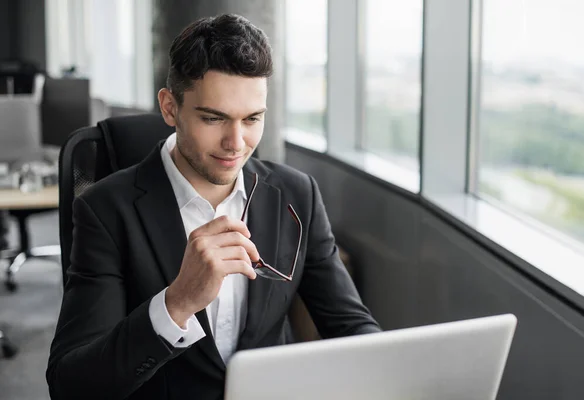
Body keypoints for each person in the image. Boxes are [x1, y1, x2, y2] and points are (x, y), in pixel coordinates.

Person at [46, 14, 380, 400]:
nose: (235, 143)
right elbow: (72, 386)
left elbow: (352, 328)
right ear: (170, 108)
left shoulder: (296, 194)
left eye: (252, 119)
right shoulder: (104, 210)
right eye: (213, 118)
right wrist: (177, 303)